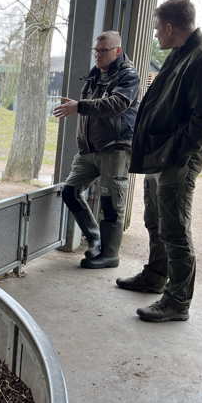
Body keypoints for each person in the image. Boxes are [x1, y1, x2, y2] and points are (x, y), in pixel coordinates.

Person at [117, 0, 202, 322]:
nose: (155, 34)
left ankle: (177, 301)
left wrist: (176, 153)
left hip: (176, 158)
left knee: (175, 227)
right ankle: (155, 275)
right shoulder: (181, 53)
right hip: (161, 153)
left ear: (169, 27)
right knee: (155, 218)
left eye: (155, 28)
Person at [53, 30, 140, 269]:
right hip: (88, 150)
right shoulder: (93, 76)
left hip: (115, 148)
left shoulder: (129, 76)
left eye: (104, 51)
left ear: (118, 51)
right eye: (96, 50)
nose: (98, 55)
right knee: (70, 191)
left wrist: (79, 106)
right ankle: (95, 239)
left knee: (111, 203)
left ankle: (110, 254)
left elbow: (117, 104)